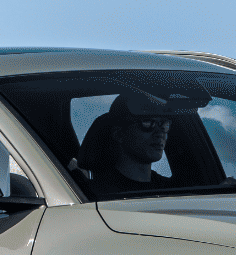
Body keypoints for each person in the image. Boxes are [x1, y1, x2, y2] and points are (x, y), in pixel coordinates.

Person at [75, 82, 209, 192]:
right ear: (119, 134)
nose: (160, 132)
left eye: (164, 124)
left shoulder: (175, 190)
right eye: (147, 123)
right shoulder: (92, 194)